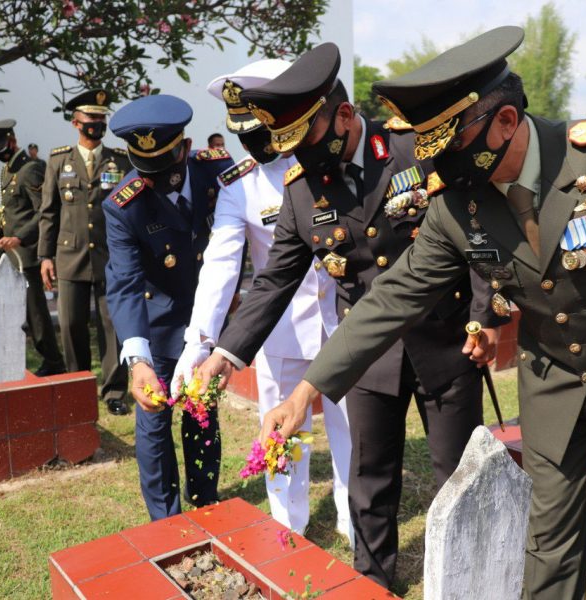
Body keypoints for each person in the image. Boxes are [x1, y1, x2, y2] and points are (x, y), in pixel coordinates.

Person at [260, 27, 586, 600]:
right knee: (546, 542)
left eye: (453, 148)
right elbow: (390, 298)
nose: (444, 170)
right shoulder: (457, 204)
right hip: (552, 381)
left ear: (504, 121)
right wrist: (308, 390)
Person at [193, 42, 501, 588]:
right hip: (366, 351)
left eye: (305, 138)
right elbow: (273, 281)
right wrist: (225, 352)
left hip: (445, 339)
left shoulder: (412, 149)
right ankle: (372, 582)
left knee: (458, 476)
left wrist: (485, 316)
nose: (299, 156)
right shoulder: (302, 189)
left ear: (342, 116)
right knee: (368, 479)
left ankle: (465, 580)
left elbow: (471, 232)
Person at [172, 59, 353, 540]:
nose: (252, 144)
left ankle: (356, 521)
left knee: (351, 433)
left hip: (344, 325)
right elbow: (221, 265)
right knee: (282, 436)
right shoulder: (240, 186)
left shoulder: (326, 160)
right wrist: (200, 341)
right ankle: (286, 527)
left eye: (259, 132)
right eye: (242, 135)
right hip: (281, 332)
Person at [103, 94, 234, 520]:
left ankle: (205, 501)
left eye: (166, 168)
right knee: (154, 422)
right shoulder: (124, 205)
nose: (157, 181)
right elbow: (123, 284)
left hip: (207, 321)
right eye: (147, 171)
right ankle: (165, 519)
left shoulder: (218, 171)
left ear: (185, 147)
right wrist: (137, 360)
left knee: (201, 413)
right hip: (157, 326)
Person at [38, 90, 131, 416]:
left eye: (102, 118)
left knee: (113, 327)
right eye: (92, 119)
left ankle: (115, 391)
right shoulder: (58, 161)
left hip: (110, 258)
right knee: (72, 324)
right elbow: (48, 213)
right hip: (69, 257)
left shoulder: (120, 161)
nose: (98, 124)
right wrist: (44, 257)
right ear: (76, 122)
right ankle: (77, 388)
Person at [0, 119, 65, 376]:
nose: (0, 153)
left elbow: (44, 212)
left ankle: (54, 361)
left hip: (25, 254)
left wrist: (20, 238)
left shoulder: (31, 169)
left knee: (34, 311)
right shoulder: (7, 171)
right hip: (6, 253)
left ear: (12, 141)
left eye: (2, 147)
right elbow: (9, 209)